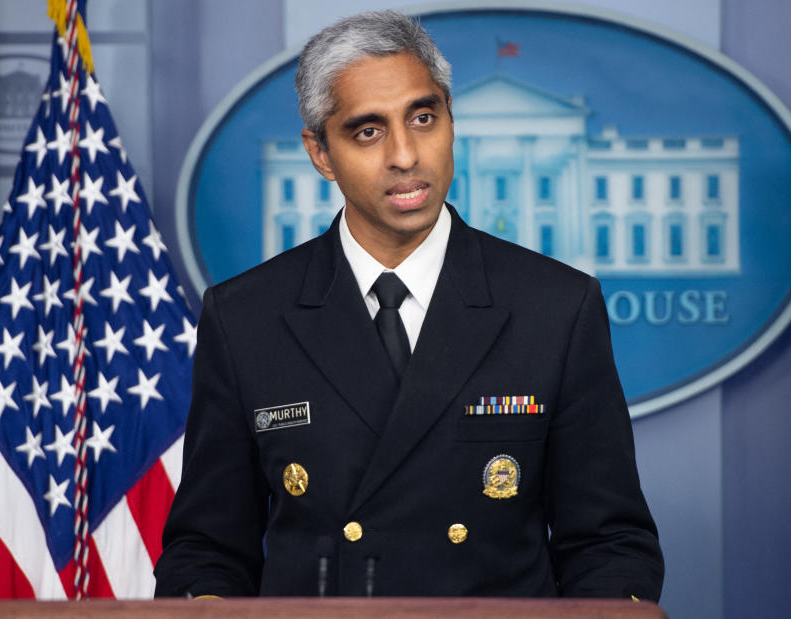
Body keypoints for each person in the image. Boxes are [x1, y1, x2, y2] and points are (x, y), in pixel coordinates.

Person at [154, 10, 663, 600]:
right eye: (367, 131)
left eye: (423, 118)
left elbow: (608, 545)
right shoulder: (245, 318)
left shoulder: (556, 307)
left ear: (450, 120)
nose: (404, 155)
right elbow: (208, 550)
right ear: (320, 153)